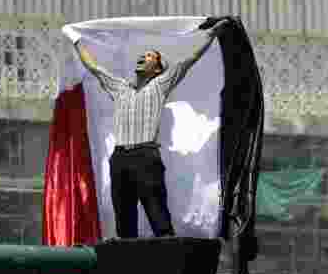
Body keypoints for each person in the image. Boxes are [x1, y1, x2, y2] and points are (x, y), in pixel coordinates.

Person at [70, 17, 229, 238]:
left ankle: (171, 262)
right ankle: (129, 266)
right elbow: (93, 67)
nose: (142, 58)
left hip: (146, 157)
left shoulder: (159, 85)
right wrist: (76, 39)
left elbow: (190, 59)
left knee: (158, 217)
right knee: (124, 223)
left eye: (149, 57)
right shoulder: (119, 88)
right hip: (120, 159)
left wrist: (211, 35)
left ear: (157, 69)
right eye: (142, 56)